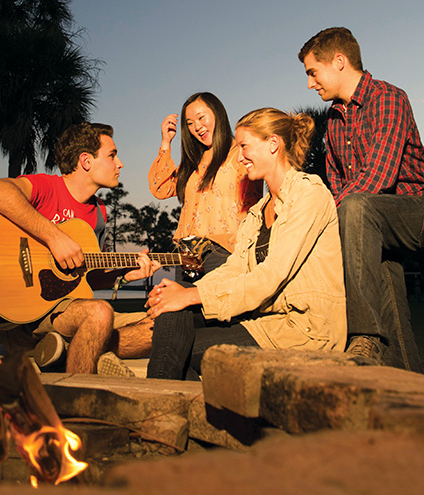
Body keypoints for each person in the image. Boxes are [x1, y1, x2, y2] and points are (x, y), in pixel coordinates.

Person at [146, 108, 346, 380]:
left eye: (244, 146)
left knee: (186, 346)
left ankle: (158, 403)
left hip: (303, 330)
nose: (239, 157)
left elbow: (271, 275)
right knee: (172, 312)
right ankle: (167, 404)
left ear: (273, 144)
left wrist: (192, 295)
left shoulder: (309, 194)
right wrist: (183, 292)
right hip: (264, 320)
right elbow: (234, 268)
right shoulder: (258, 212)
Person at [0, 122, 160, 375]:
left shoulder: (99, 213)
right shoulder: (47, 187)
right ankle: (75, 397)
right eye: (112, 155)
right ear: (86, 161)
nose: (120, 163)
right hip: (29, 315)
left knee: (161, 326)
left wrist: (122, 273)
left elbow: (86, 276)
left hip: (71, 311)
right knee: (99, 313)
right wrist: (54, 237)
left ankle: (63, 349)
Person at [299, 27, 424, 371]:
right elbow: (340, 187)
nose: (310, 83)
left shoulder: (388, 98)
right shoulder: (335, 124)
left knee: (356, 207)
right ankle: (409, 389)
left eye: (312, 72)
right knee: (392, 307)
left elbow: (376, 179)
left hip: (414, 211)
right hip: (372, 224)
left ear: (339, 62)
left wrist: (319, 216)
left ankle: (363, 335)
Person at [148, 92, 263, 278]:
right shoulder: (194, 165)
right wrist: (165, 143)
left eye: (201, 117)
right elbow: (159, 188)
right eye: (190, 123)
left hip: (224, 250)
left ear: (218, 113)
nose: (197, 127)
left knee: (216, 306)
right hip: (187, 253)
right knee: (177, 305)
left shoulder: (240, 154)